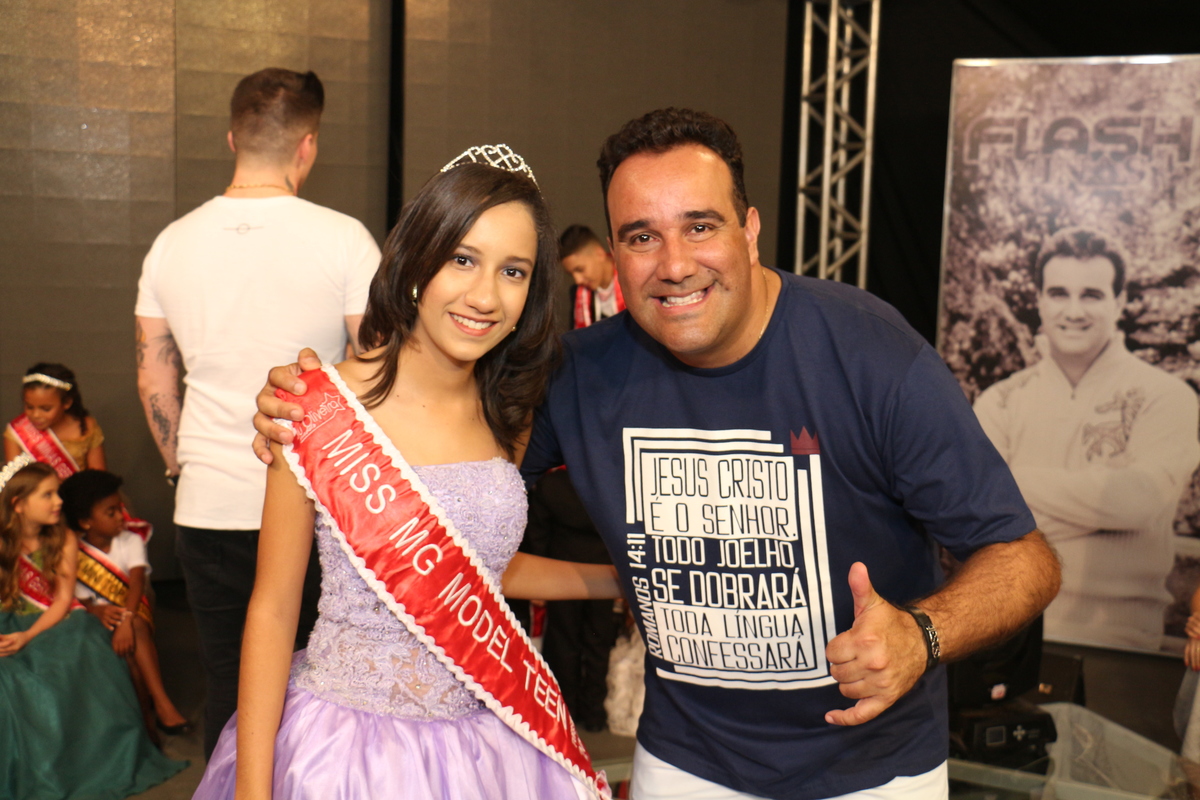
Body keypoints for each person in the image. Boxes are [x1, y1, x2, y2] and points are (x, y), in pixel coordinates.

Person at [253, 109, 1061, 800]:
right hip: (681, 765)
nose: (674, 265)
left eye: (700, 226)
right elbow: (438, 505)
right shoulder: (578, 376)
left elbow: (1025, 558)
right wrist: (316, 420)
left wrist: (923, 634)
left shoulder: (873, 355)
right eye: (643, 236)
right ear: (615, 254)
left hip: (871, 773)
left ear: (749, 229)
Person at [192, 146, 618, 800]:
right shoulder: (315, 407)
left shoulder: (508, 413)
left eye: (513, 271)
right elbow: (274, 610)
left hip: (485, 748)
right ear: (419, 260)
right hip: (344, 751)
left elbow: (474, 571)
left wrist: (618, 581)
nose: (485, 295)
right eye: (462, 259)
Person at [135, 66, 381, 757]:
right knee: (315, 687)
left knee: (230, 682)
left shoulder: (171, 243)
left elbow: (155, 373)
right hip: (315, 502)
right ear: (308, 144)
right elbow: (377, 369)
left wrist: (181, 466)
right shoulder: (344, 238)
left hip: (208, 502)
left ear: (231, 138)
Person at [974, 227, 1200, 652]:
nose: (1074, 311)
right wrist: (1104, 504)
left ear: (1119, 301)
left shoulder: (1167, 397)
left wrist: (1011, 482)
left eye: (1092, 295)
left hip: (1123, 642)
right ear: (1039, 300)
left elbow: (1138, 502)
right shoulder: (1000, 401)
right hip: (1005, 635)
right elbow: (977, 516)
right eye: (1059, 293)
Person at [0, 457, 185, 798]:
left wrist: (27, 636)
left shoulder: (64, 538)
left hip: (57, 622)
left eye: (58, 493)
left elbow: (61, 600)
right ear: (19, 504)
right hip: (11, 620)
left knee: (81, 662)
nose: (59, 502)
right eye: (47, 495)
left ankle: (86, 764)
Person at [59, 468, 190, 733]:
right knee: (129, 659)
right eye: (111, 512)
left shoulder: (130, 540)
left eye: (120, 508)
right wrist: (95, 611)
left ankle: (156, 713)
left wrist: (127, 620)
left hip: (131, 611)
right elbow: (76, 598)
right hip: (95, 618)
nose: (121, 516)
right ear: (85, 521)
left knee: (135, 635)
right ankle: (154, 717)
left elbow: (137, 582)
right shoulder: (75, 551)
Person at [5, 363, 106, 471]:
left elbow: (99, 476)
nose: (36, 415)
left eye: (46, 409)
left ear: (67, 402)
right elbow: (15, 478)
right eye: (29, 407)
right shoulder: (18, 431)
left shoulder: (86, 427)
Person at [560, 224, 625, 328]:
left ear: (600, 254)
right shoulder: (576, 292)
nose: (577, 280)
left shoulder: (631, 280)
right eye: (571, 274)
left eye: (580, 269)